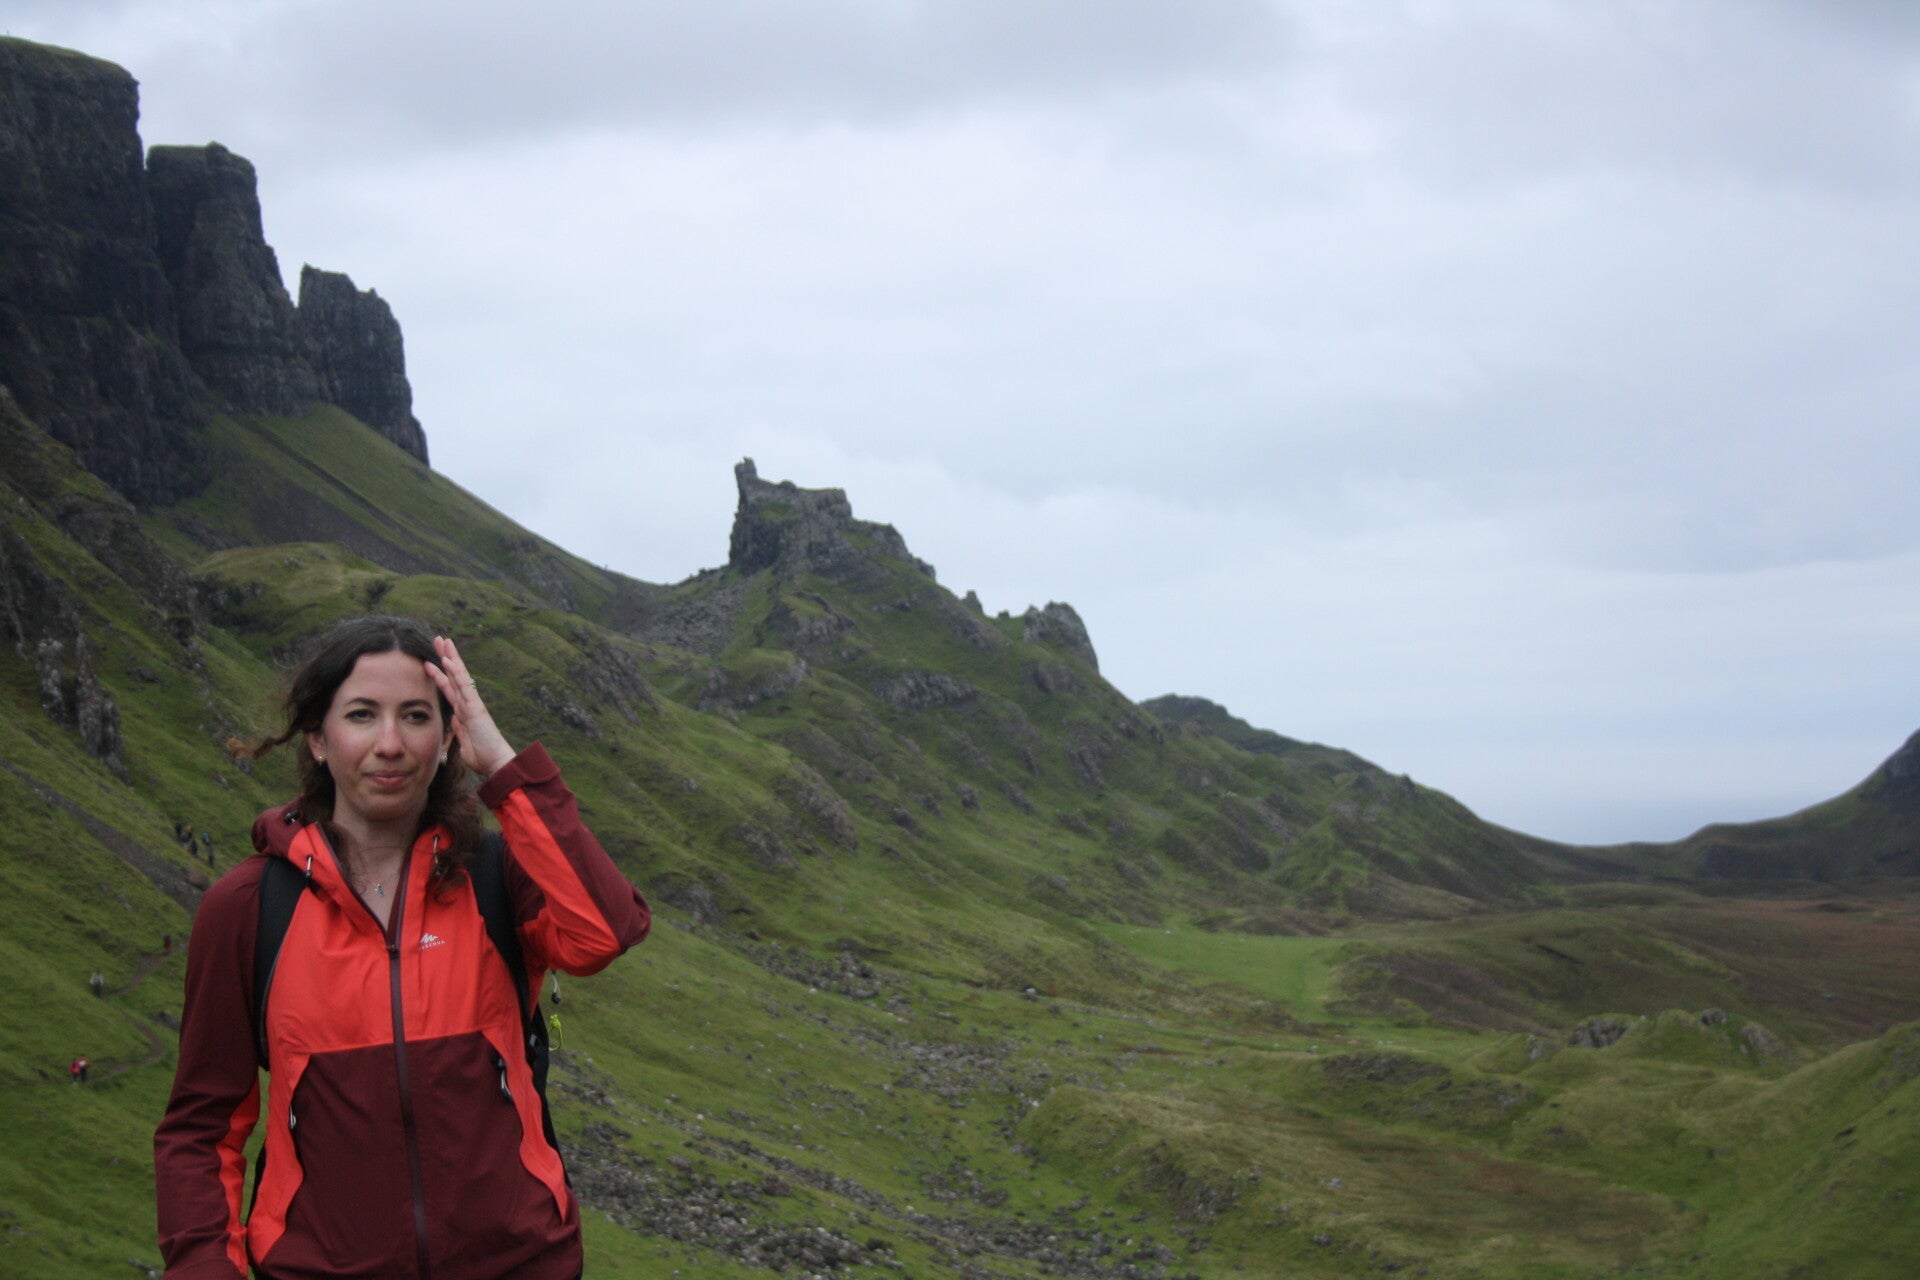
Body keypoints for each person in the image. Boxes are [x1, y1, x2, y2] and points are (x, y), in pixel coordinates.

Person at [154, 616, 650, 1280]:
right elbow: (202, 1129)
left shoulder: (497, 877)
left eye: (415, 717)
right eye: (362, 715)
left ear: (448, 739)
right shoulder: (248, 909)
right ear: (320, 741)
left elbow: (605, 932)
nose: (390, 744)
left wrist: (503, 767)